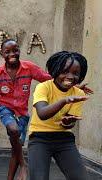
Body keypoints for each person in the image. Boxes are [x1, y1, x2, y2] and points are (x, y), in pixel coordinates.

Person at [0, 39, 52, 180]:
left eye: (15, 50)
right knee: (13, 130)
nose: (12, 54)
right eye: (7, 52)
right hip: (5, 109)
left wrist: (73, 86)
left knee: (16, 148)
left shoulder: (28, 67)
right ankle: (24, 165)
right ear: (2, 54)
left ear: (19, 50)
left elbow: (48, 79)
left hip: (22, 113)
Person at [28, 51, 89, 180]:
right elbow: (42, 113)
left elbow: (70, 122)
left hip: (64, 139)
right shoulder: (43, 87)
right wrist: (64, 100)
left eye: (75, 73)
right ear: (55, 71)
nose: (70, 76)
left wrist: (68, 122)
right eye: (65, 71)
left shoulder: (78, 93)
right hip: (40, 138)